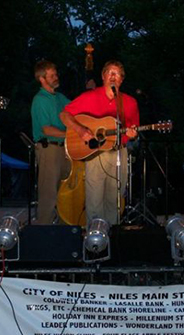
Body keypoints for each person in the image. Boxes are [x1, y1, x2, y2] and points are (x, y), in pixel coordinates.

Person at [60, 60, 139, 225]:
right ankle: (94, 237)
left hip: (119, 152)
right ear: (103, 76)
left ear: (121, 79)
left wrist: (132, 134)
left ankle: (111, 236)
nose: (112, 76)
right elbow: (64, 115)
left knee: (114, 200)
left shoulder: (130, 103)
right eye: (109, 72)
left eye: (116, 74)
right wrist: (81, 131)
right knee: (94, 199)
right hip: (95, 153)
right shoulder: (89, 97)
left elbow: (134, 129)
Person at [31, 60, 70, 224]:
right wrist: (69, 135)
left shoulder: (61, 98)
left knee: (66, 192)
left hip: (64, 149)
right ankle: (44, 230)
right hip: (49, 149)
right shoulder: (39, 100)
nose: (56, 77)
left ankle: (64, 229)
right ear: (42, 79)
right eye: (52, 75)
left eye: (56, 74)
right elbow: (46, 129)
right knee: (48, 194)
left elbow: (77, 111)